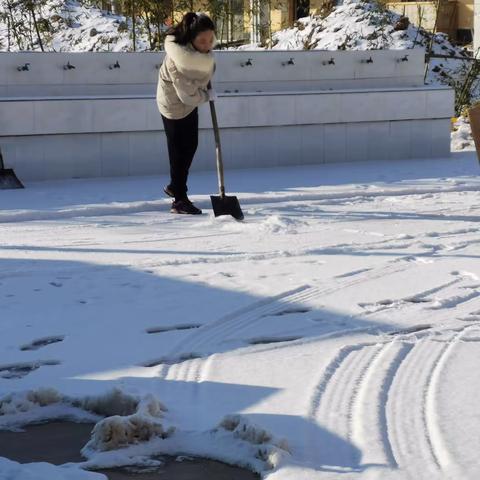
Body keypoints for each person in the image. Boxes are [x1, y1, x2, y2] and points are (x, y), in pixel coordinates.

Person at [156, 12, 216, 215]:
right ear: (191, 39)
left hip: (188, 101)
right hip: (173, 105)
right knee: (179, 151)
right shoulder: (178, 60)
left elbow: (197, 79)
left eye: (210, 40)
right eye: (202, 41)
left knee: (191, 145)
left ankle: (175, 186)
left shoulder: (197, 53)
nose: (207, 45)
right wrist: (207, 96)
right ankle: (179, 199)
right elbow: (187, 96)